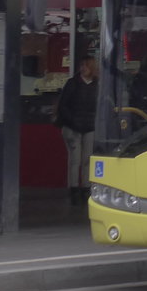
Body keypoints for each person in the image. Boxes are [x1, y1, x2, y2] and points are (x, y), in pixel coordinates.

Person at [56, 55, 98, 205]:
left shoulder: (96, 85)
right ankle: (74, 187)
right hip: (74, 126)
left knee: (87, 159)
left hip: (89, 126)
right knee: (76, 159)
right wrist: (72, 121)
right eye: (81, 66)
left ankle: (86, 187)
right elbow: (63, 106)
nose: (82, 69)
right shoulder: (73, 83)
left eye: (85, 66)